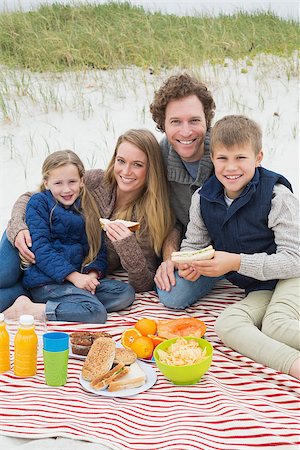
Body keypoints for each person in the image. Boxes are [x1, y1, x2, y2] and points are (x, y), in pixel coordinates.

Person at [171, 115, 300, 378]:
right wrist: (188, 263)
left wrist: (236, 262)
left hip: (292, 277)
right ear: (212, 158)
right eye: (223, 158)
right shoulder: (203, 199)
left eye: (240, 158)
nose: (231, 168)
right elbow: (193, 243)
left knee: (276, 325)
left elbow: (295, 259)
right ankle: (293, 364)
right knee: (227, 324)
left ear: (258, 157)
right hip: (260, 287)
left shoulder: (276, 196)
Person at [0, 129, 174, 310]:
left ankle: (32, 301)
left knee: (5, 298)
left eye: (137, 164)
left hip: (64, 275)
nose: (126, 171)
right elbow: (31, 197)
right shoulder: (95, 181)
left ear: (151, 168)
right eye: (121, 161)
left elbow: (143, 283)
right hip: (30, 243)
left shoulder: (148, 218)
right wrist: (18, 228)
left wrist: (126, 246)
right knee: (4, 275)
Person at [2, 150, 135, 323]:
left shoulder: (87, 206)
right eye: (58, 183)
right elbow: (41, 250)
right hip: (47, 283)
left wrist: (92, 275)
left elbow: (98, 248)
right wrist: (75, 277)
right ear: (47, 183)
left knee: (125, 293)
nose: (66, 189)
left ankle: (74, 305)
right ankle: (34, 309)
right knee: (96, 313)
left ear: (81, 181)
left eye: (72, 181)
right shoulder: (39, 203)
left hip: (74, 281)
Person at [149, 72, 219, 301]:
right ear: (163, 124)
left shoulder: (227, 147)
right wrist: (171, 258)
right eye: (175, 122)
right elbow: (109, 180)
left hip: (231, 249)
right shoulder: (158, 154)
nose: (186, 132)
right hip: (189, 250)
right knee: (172, 294)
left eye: (194, 120)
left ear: (207, 120)